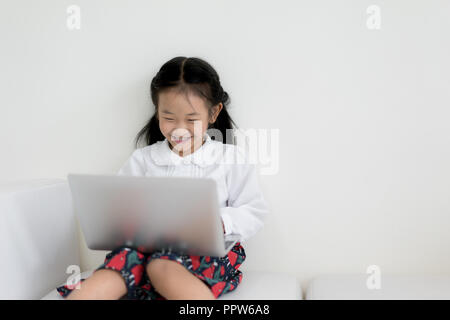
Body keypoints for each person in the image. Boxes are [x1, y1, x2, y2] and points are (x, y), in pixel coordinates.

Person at [57, 56, 269, 300]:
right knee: (118, 266)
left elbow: (254, 210)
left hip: (206, 254)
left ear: (213, 113)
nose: (179, 128)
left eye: (191, 119)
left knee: (162, 266)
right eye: (169, 118)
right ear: (157, 113)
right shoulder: (143, 160)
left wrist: (219, 222)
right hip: (145, 250)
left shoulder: (230, 158)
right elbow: (117, 210)